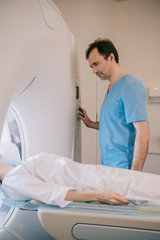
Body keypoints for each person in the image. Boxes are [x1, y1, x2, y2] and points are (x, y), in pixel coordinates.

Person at [78, 38, 150, 171]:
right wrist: (90, 123)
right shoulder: (111, 88)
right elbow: (115, 125)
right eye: (91, 67)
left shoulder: (130, 86)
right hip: (108, 165)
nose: (94, 71)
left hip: (123, 168)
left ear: (111, 57)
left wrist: (134, 174)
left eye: (96, 64)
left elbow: (143, 132)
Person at [1, 153, 160, 208]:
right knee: (149, 189)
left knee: (146, 181)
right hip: (94, 184)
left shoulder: (17, 169)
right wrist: (98, 195)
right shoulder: (12, 181)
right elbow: (54, 194)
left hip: (97, 174)